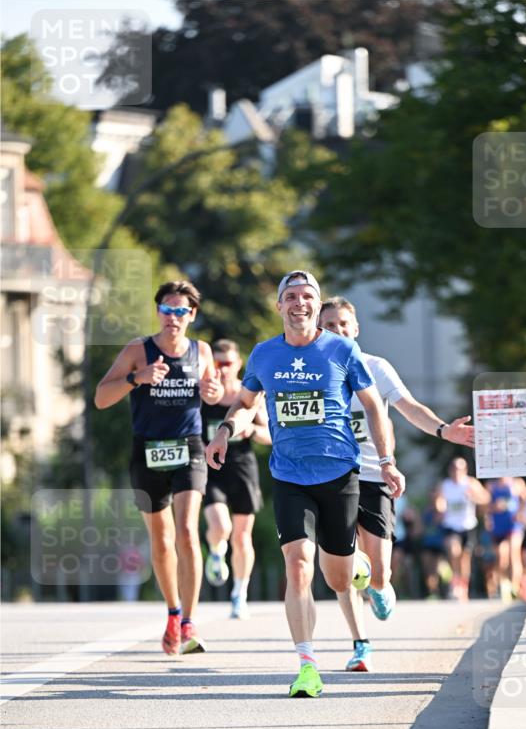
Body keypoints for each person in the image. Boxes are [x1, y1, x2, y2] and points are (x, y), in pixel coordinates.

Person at [205, 271, 405, 697]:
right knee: (297, 565)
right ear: (279, 305)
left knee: (338, 579)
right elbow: (246, 402)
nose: (300, 303)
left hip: (339, 474)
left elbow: (374, 407)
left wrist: (387, 461)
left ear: (316, 303)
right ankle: (307, 665)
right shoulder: (264, 354)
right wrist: (225, 430)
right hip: (289, 476)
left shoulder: (342, 349)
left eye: (307, 296)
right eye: (291, 296)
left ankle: (359, 568)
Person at [318, 296, 475, 671]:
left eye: (343, 324)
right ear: (320, 331)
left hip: (375, 476)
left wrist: (443, 430)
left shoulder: (375, 367)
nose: (337, 330)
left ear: (356, 329)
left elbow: (410, 407)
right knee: (344, 567)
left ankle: (379, 585)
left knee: (379, 569)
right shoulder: (311, 371)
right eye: (330, 326)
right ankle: (360, 643)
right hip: (330, 476)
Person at [95, 279, 219, 655]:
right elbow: (101, 397)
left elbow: (216, 391)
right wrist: (137, 378)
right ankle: (173, 611)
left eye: (180, 311)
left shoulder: (202, 351)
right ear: (158, 312)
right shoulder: (139, 350)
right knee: (162, 540)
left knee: (187, 530)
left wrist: (214, 393)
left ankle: (189, 621)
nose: (173, 317)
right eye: (167, 309)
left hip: (189, 448)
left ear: (192, 315)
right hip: (147, 451)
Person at [202, 339, 271, 619]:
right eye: (217, 363)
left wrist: (251, 431)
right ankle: (216, 550)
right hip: (211, 468)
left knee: (242, 537)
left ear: (238, 364)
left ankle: (239, 593)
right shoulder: (203, 393)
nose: (222, 369)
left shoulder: (249, 393)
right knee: (221, 526)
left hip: (242, 467)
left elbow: (270, 435)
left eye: (228, 363)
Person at [439, 457, 490, 600]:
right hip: (451, 525)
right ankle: (455, 583)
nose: (456, 472)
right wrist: (439, 506)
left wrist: (474, 496)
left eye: (460, 469)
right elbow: (438, 501)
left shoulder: (471, 483)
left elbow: (486, 499)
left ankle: (464, 585)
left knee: (465, 558)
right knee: (453, 549)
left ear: (465, 470)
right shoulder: (445, 485)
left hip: (468, 525)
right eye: (454, 468)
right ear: (450, 470)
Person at [485, 476, 526, 601]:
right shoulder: (491, 485)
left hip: (514, 525)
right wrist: (495, 507)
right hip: (498, 526)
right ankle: (503, 584)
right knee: (501, 556)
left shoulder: (518, 483)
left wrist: (521, 512)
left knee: (514, 554)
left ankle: (515, 586)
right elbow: (484, 507)